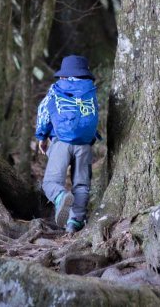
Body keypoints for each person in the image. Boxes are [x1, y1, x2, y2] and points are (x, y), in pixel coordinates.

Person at [34, 54, 100, 233]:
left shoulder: (57, 89)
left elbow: (44, 112)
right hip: (85, 144)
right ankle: (75, 222)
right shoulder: (90, 90)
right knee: (82, 185)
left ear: (63, 74)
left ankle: (60, 196)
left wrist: (41, 136)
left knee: (51, 182)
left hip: (61, 142)